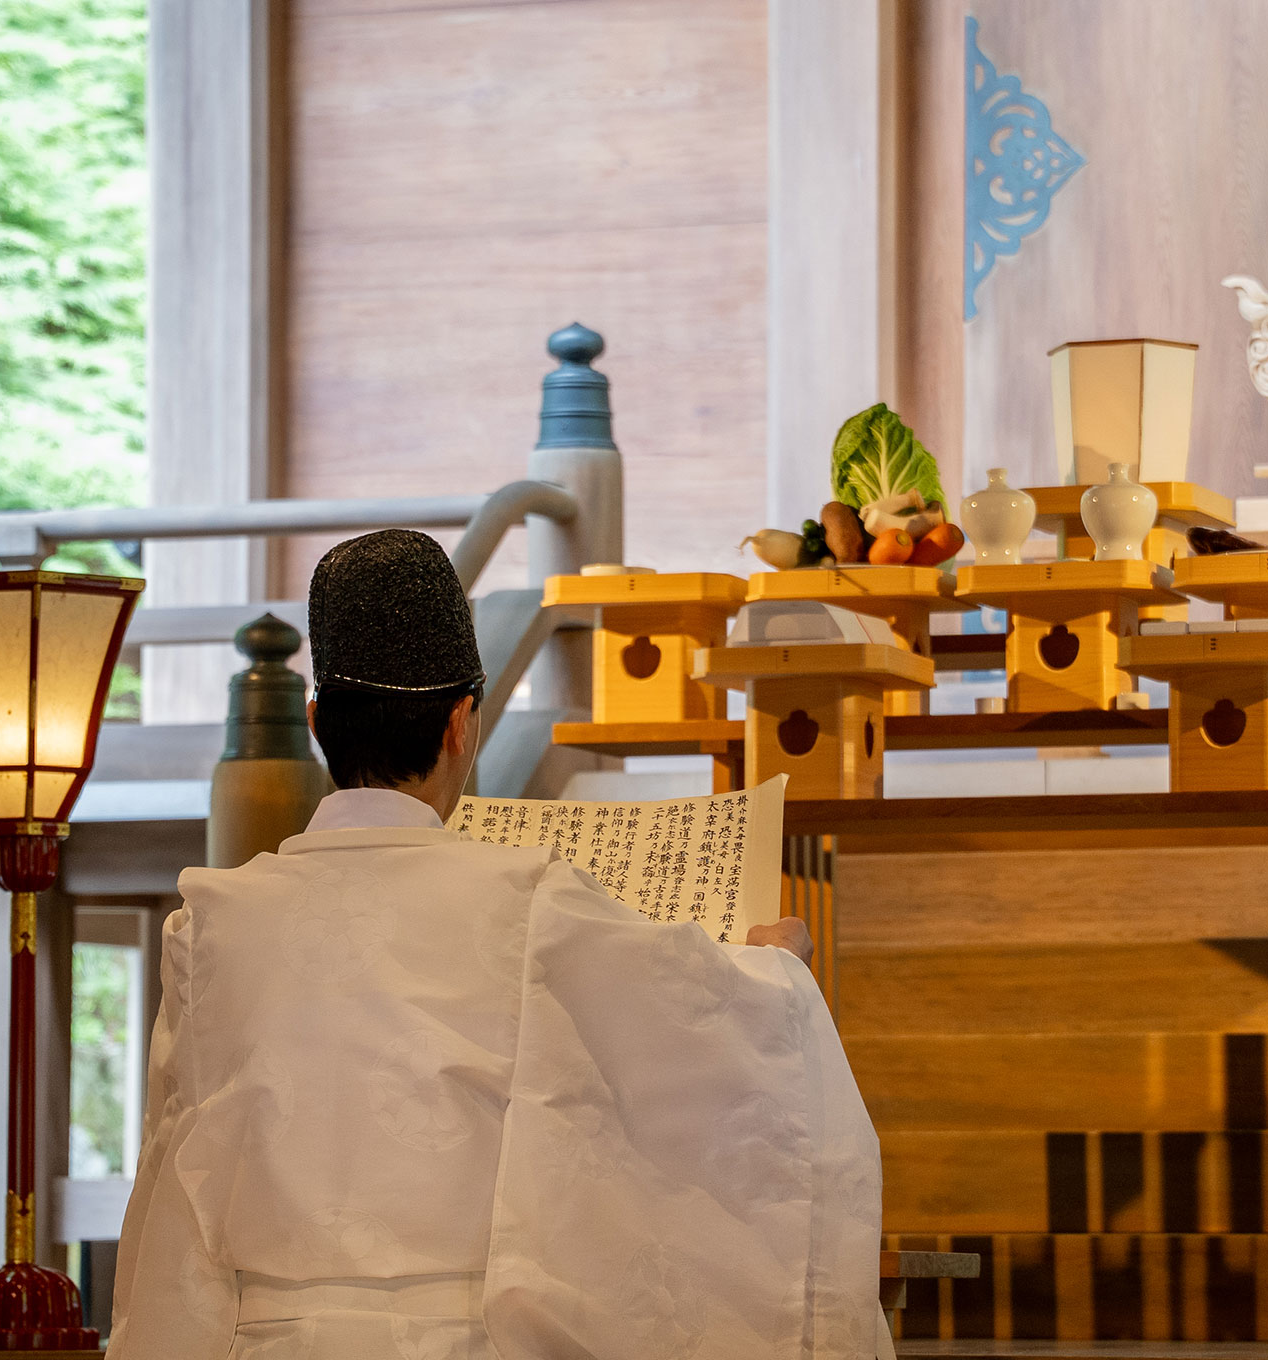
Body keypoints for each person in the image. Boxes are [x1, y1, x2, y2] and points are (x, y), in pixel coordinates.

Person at [109, 529, 891, 1359]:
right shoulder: (526, 898)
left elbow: (171, 1187)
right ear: (461, 724)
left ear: (315, 725)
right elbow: (703, 1039)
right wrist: (775, 966)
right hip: (457, 1343)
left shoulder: (210, 921)